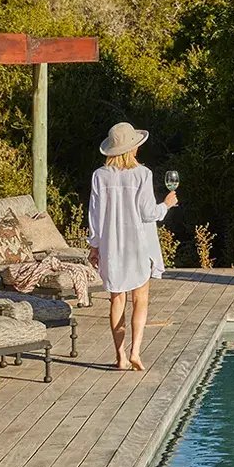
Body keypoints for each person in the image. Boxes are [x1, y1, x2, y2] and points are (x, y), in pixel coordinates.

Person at [87, 121, 177, 370]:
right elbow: (148, 213)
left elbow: (94, 215)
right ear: (132, 149)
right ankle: (136, 351)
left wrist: (95, 246)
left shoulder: (99, 176)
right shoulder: (142, 175)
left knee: (117, 299)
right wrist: (167, 204)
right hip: (137, 245)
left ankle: (120, 356)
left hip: (112, 246)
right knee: (141, 298)